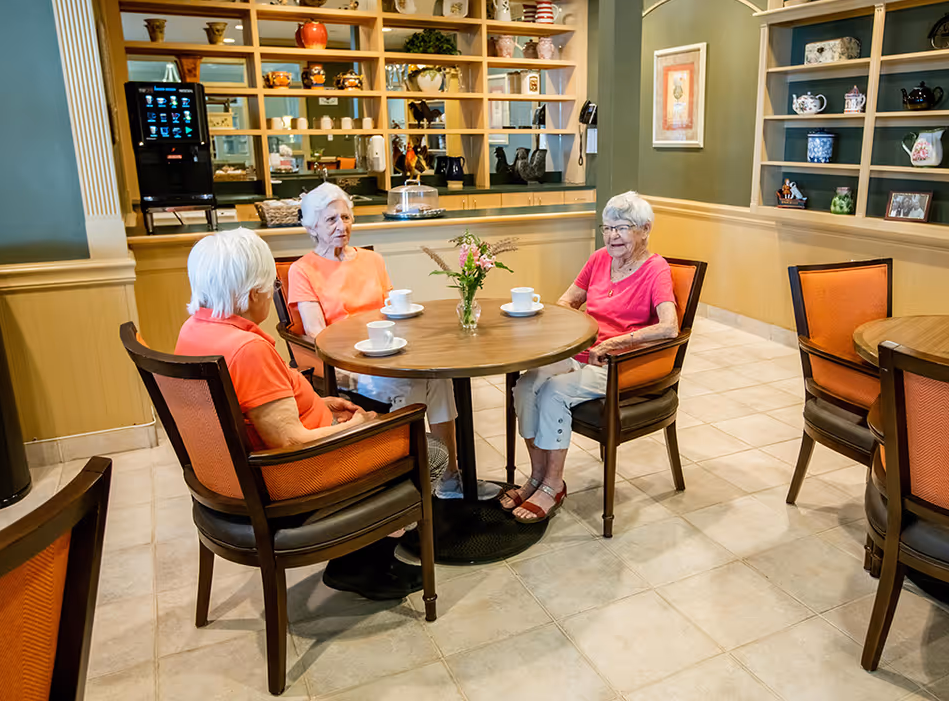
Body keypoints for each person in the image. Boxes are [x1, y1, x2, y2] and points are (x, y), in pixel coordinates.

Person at [175, 228, 422, 601]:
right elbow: (289, 442)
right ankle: (362, 563)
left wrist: (317, 404)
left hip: (227, 479)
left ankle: (368, 545)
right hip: (293, 479)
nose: (274, 290)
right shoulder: (246, 350)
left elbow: (253, 410)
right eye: (271, 284)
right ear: (253, 292)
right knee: (427, 448)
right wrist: (353, 428)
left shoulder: (195, 331)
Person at [287, 182, 499, 501]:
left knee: (438, 379)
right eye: (330, 220)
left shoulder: (371, 261)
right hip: (347, 364)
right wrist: (363, 352)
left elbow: (392, 311)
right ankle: (405, 486)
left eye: (345, 217)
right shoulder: (302, 270)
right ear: (311, 227)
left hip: (389, 353)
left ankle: (450, 475)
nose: (341, 226)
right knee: (411, 386)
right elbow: (317, 333)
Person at [503, 191, 680, 522]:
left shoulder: (656, 270)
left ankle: (553, 485)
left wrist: (613, 345)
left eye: (622, 228)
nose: (612, 236)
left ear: (645, 229)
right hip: (583, 353)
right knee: (526, 386)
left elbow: (670, 327)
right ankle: (538, 477)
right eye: (607, 227)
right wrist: (567, 333)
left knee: (555, 391)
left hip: (619, 363)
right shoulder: (599, 259)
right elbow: (566, 301)